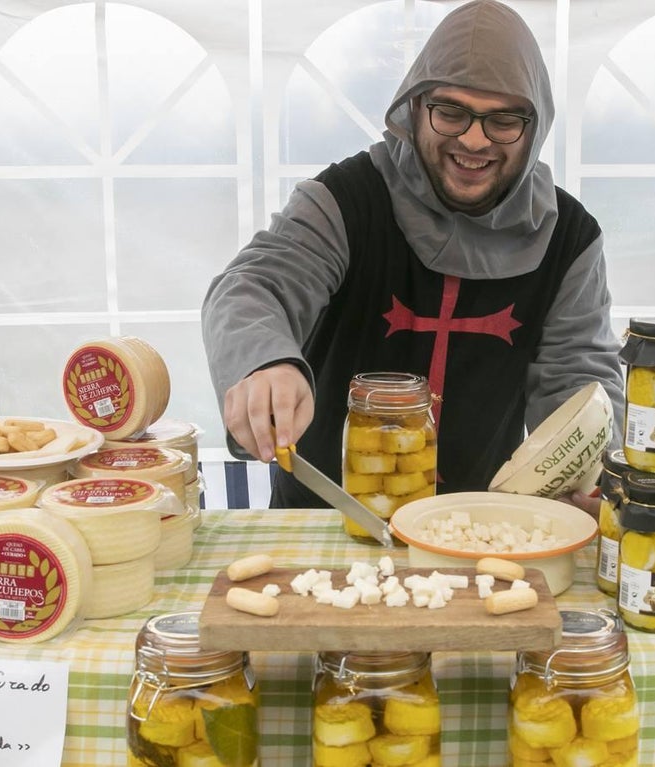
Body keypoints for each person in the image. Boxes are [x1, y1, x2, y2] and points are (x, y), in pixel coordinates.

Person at [202, 0, 624, 511]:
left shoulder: (569, 237)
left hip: (481, 528)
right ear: (414, 107)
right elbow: (256, 284)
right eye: (451, 111)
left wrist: (592, 473)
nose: (474, 139)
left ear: (534, 129)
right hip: (327, 518)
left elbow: (578, 383)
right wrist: (264, 362)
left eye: (504, 120)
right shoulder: (344, 200)